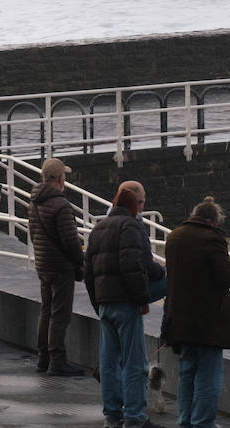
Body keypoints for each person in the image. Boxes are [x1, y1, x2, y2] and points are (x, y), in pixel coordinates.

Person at [87, 181, 167, 428]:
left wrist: (97, 304)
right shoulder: (131, 227)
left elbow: (88, 272)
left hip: (105, 303)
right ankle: (134, 417)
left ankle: (112, 416)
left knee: (109, 362)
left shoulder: (98, 228)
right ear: (135, 207)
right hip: (126, 303)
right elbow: (135, 267)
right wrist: (142, 299)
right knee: (135, 363)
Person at [161, 197, 230, 428]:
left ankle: (185, 420)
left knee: (187, 372)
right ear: (214, 221)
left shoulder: (174, 237)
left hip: (180, 319)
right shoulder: (213, 240)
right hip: (209, 323)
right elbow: (229, 279)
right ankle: (203, 423)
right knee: (209, 375)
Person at [30, 158, 87, 377]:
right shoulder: (61, 205)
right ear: (60, 178)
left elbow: (33, 232)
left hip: (42, 263)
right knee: (60, 315)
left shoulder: (35, 201)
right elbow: (71, 241)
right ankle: (57, 361)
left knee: (46, 310)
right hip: (60, 266)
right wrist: (80, 260)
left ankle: (43, 358)